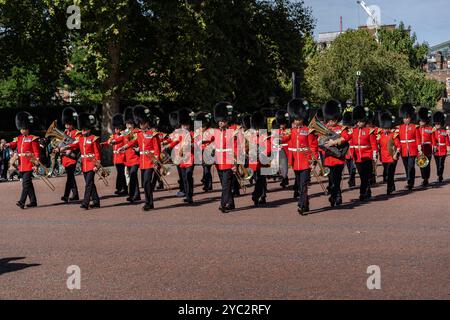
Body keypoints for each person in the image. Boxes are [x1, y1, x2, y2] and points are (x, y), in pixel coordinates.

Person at [287, 98, 318, 215]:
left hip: (305, 161)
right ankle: (305, 202)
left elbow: (313, 146)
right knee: (299, 186)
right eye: (295, 119)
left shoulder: (308, 131)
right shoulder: (291, 131)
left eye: (299, 119)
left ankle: (302, 205)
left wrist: (313, 161)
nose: (296, 121)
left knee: (304, 185)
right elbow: (283, 139)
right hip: (296, 162)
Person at [63, 113, 101, 210]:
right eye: (82, 130)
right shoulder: (81, 139)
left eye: (85, 130)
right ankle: (96, 201)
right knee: (90, 183)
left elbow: (97, 153)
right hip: (84, 164)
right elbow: (74, 145)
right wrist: (66, 147)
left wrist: (97, 165)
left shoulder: (94, 139)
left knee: (88, 184)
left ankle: (85, 202)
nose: (83, 131)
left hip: (92, 164)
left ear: (89, 129)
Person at [128, 105, 161, 211]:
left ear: (147, 123)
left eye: (143, 123)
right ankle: (150, 203)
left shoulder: (153, 134)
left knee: (147, 181)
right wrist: (124, 147)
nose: (141, 126)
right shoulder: (139, 134)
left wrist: (156, 161)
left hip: (150, 161)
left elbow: (157, 149)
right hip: (142, 162)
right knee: (145, 184)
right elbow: (133, 142)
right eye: (140, 124)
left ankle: (148, 202)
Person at [6, 112, 40, 209]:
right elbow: (12, 143)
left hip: (29, 163)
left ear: (28, 129)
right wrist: (7, 144)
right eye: (21, 129)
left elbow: (36, 152)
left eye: (24, 129)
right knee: (28, 183)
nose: (22, 131)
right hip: (21, 164)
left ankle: (22, 201)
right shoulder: (19, 138)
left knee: (25, 183)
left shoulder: (32, 138)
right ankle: (33, 201)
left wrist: (36, 164)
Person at [321, 100, 351, 207]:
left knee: (337, 179)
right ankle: (334, 195)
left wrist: (334, 142)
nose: (331, 122)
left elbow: (347, 137)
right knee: (331, 180)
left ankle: (338, 197)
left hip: (338, 159)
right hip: (328, 159)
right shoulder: (323, 129)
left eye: (333, 120)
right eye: (329, 120)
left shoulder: (340, 128)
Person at [210, 102, 237, 213]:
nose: (221, 123)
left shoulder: (232, 132)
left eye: (223, 121)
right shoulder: (215, 132)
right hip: (219, 162)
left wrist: (235, 163)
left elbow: (236, 148)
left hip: (229, 161)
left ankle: (223, 204)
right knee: (224, 184)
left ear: (227, 121)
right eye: (220, 121)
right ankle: (231, 203)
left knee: (226, 185)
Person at [349, 106, 378, 201]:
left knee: (366, 176)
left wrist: (374, 156)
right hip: (358, 158)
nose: (359, 123)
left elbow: (374, 145)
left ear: (364, 121)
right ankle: (367, 191)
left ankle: (362, 192)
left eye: (360, 121)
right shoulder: (353, 131)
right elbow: (351, 143)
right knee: (362, 176)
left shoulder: (369, 131)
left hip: (367, 157)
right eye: (357, 121)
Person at [167, 109, 196, 204]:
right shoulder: (179, 133)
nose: (184, 127)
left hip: (190, 158)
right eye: (183, 125)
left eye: (186, 125)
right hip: (182, 159)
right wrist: (166, 146)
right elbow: (174, 141)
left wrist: (191, 145)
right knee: (184, 177)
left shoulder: (192, 134)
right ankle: (188, 196)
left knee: (188, 175)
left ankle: (190, 195)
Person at [116, 107, 141, 203]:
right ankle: (136, 195)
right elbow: (120, 138)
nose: (128, 125)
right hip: (128, 158)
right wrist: (113, 142)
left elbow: (133, 141)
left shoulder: (137, 132)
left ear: (133, 123)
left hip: (135, 157)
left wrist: (124, 147)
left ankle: (132, 195)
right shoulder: (125, 132)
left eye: (130, 124)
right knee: (132, 176)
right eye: (127, 124)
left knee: (133, 174)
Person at [396, 103, 421, 191]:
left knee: (411, 166)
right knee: (406, 166)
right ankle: (409, 179)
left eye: (407, 117)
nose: (405, 119)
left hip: (412, 149)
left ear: (410, 117)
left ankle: (410, 182)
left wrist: (419, 148)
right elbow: (396, 139)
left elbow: (418, 138)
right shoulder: (399, 128)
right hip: (403, 150)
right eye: (404, 118)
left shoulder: (415, 127)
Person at [58, 107, 80, 203]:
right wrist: (57, 148)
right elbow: (61, 144)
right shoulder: (65, 133)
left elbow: (77, 144)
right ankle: (75, 195)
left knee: (69, 177)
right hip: (65, 158)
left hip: (73, 157)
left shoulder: (77, 133)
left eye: (68, 124)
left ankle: (66, 196)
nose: (66, 126)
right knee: (71, 177)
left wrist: (69, 149)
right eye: (66, 124)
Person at [102, 114, 128, 196]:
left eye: (118, 128)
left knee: (121, 173)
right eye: (115, 128)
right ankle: (124, 189)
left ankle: (120, 188)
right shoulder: (113, 136)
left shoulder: (123, 135)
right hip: (116, 158)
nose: (116, 130)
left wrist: (112, 141)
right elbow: (109, 142)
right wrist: (102, 144)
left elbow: (118, 140)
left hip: (122, 157)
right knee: (120, 173)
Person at [248, 111, 271, 207]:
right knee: (258, 179)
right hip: (253, 163)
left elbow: (269, 148)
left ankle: (259, 195)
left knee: (261, 179)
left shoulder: (264, 136)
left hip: (263, 162)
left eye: (258, 129)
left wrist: (262, 154)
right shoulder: (251, 136)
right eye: (255, 129)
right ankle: (261, 195)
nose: (257, 131)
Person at [377, 111, 401, 195]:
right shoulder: (380, 135)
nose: (386, 129)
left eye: (387, 128)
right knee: (387, 173)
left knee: (390, 173)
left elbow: (398, 146)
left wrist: (396, 154)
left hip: (392, 157)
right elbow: (376, 144)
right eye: (384, 128)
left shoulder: (393, 135)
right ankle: (392, 185)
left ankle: (389, 188)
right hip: (383, 157)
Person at [417, 107, 433, 187]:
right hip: (420, 149)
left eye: (422, 121)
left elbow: (432, 138)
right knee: (421, 164)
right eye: (420, 121)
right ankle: (424, 178)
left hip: (428, 148)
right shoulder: (417, 129)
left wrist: (434, 147)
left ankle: (426, 178)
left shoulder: (430, 128)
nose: (421, 122)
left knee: (427, 164)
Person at [432, 111, 449, 183]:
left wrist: (448, 148)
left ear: (440, 123)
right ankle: (439, 174)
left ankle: (440, 175)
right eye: (436, 123)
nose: (437, 125)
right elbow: (432, 139)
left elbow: (447, 140)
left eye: (438, 123)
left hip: (443, 150)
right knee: (437, 164)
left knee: (441, 164)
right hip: (436, 150)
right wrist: (435, 146)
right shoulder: (433, 131)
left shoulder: (443, 131)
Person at [342, 111, 356, 187]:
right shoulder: (344, 130)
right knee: (349, 166)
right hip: (347, 151)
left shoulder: (355, 129)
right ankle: (352, 180)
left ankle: (352, 178)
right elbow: (345, 138)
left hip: (354, 151)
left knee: (353, 168)